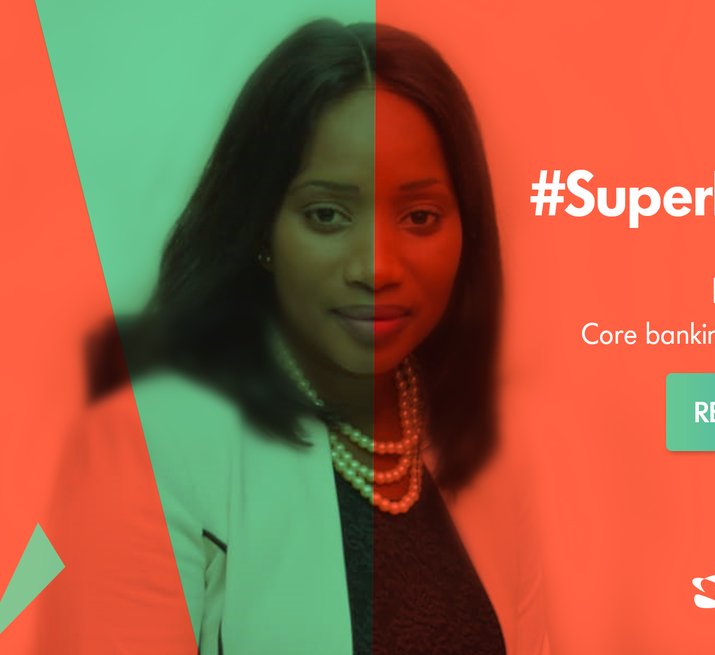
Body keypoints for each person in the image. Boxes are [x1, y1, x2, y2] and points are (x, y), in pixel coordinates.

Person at [37, 19, 549, 655]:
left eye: (420, 216)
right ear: (261, 230)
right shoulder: (149, 445)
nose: (377, 267)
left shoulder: (484, 454)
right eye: (327, 215)